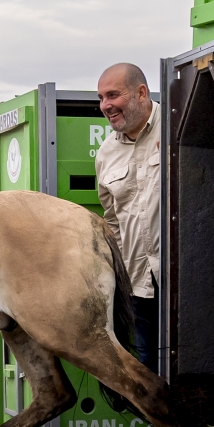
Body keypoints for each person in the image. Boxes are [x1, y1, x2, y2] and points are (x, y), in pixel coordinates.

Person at [95, 62, 160, 374]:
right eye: (101, 98)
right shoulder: (105, 154)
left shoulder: (175, 128)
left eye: (113, 95)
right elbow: (112, 223)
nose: (105, 105)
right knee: (145, 372)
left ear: (141, 93)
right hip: (137, 286)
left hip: (184, 283)